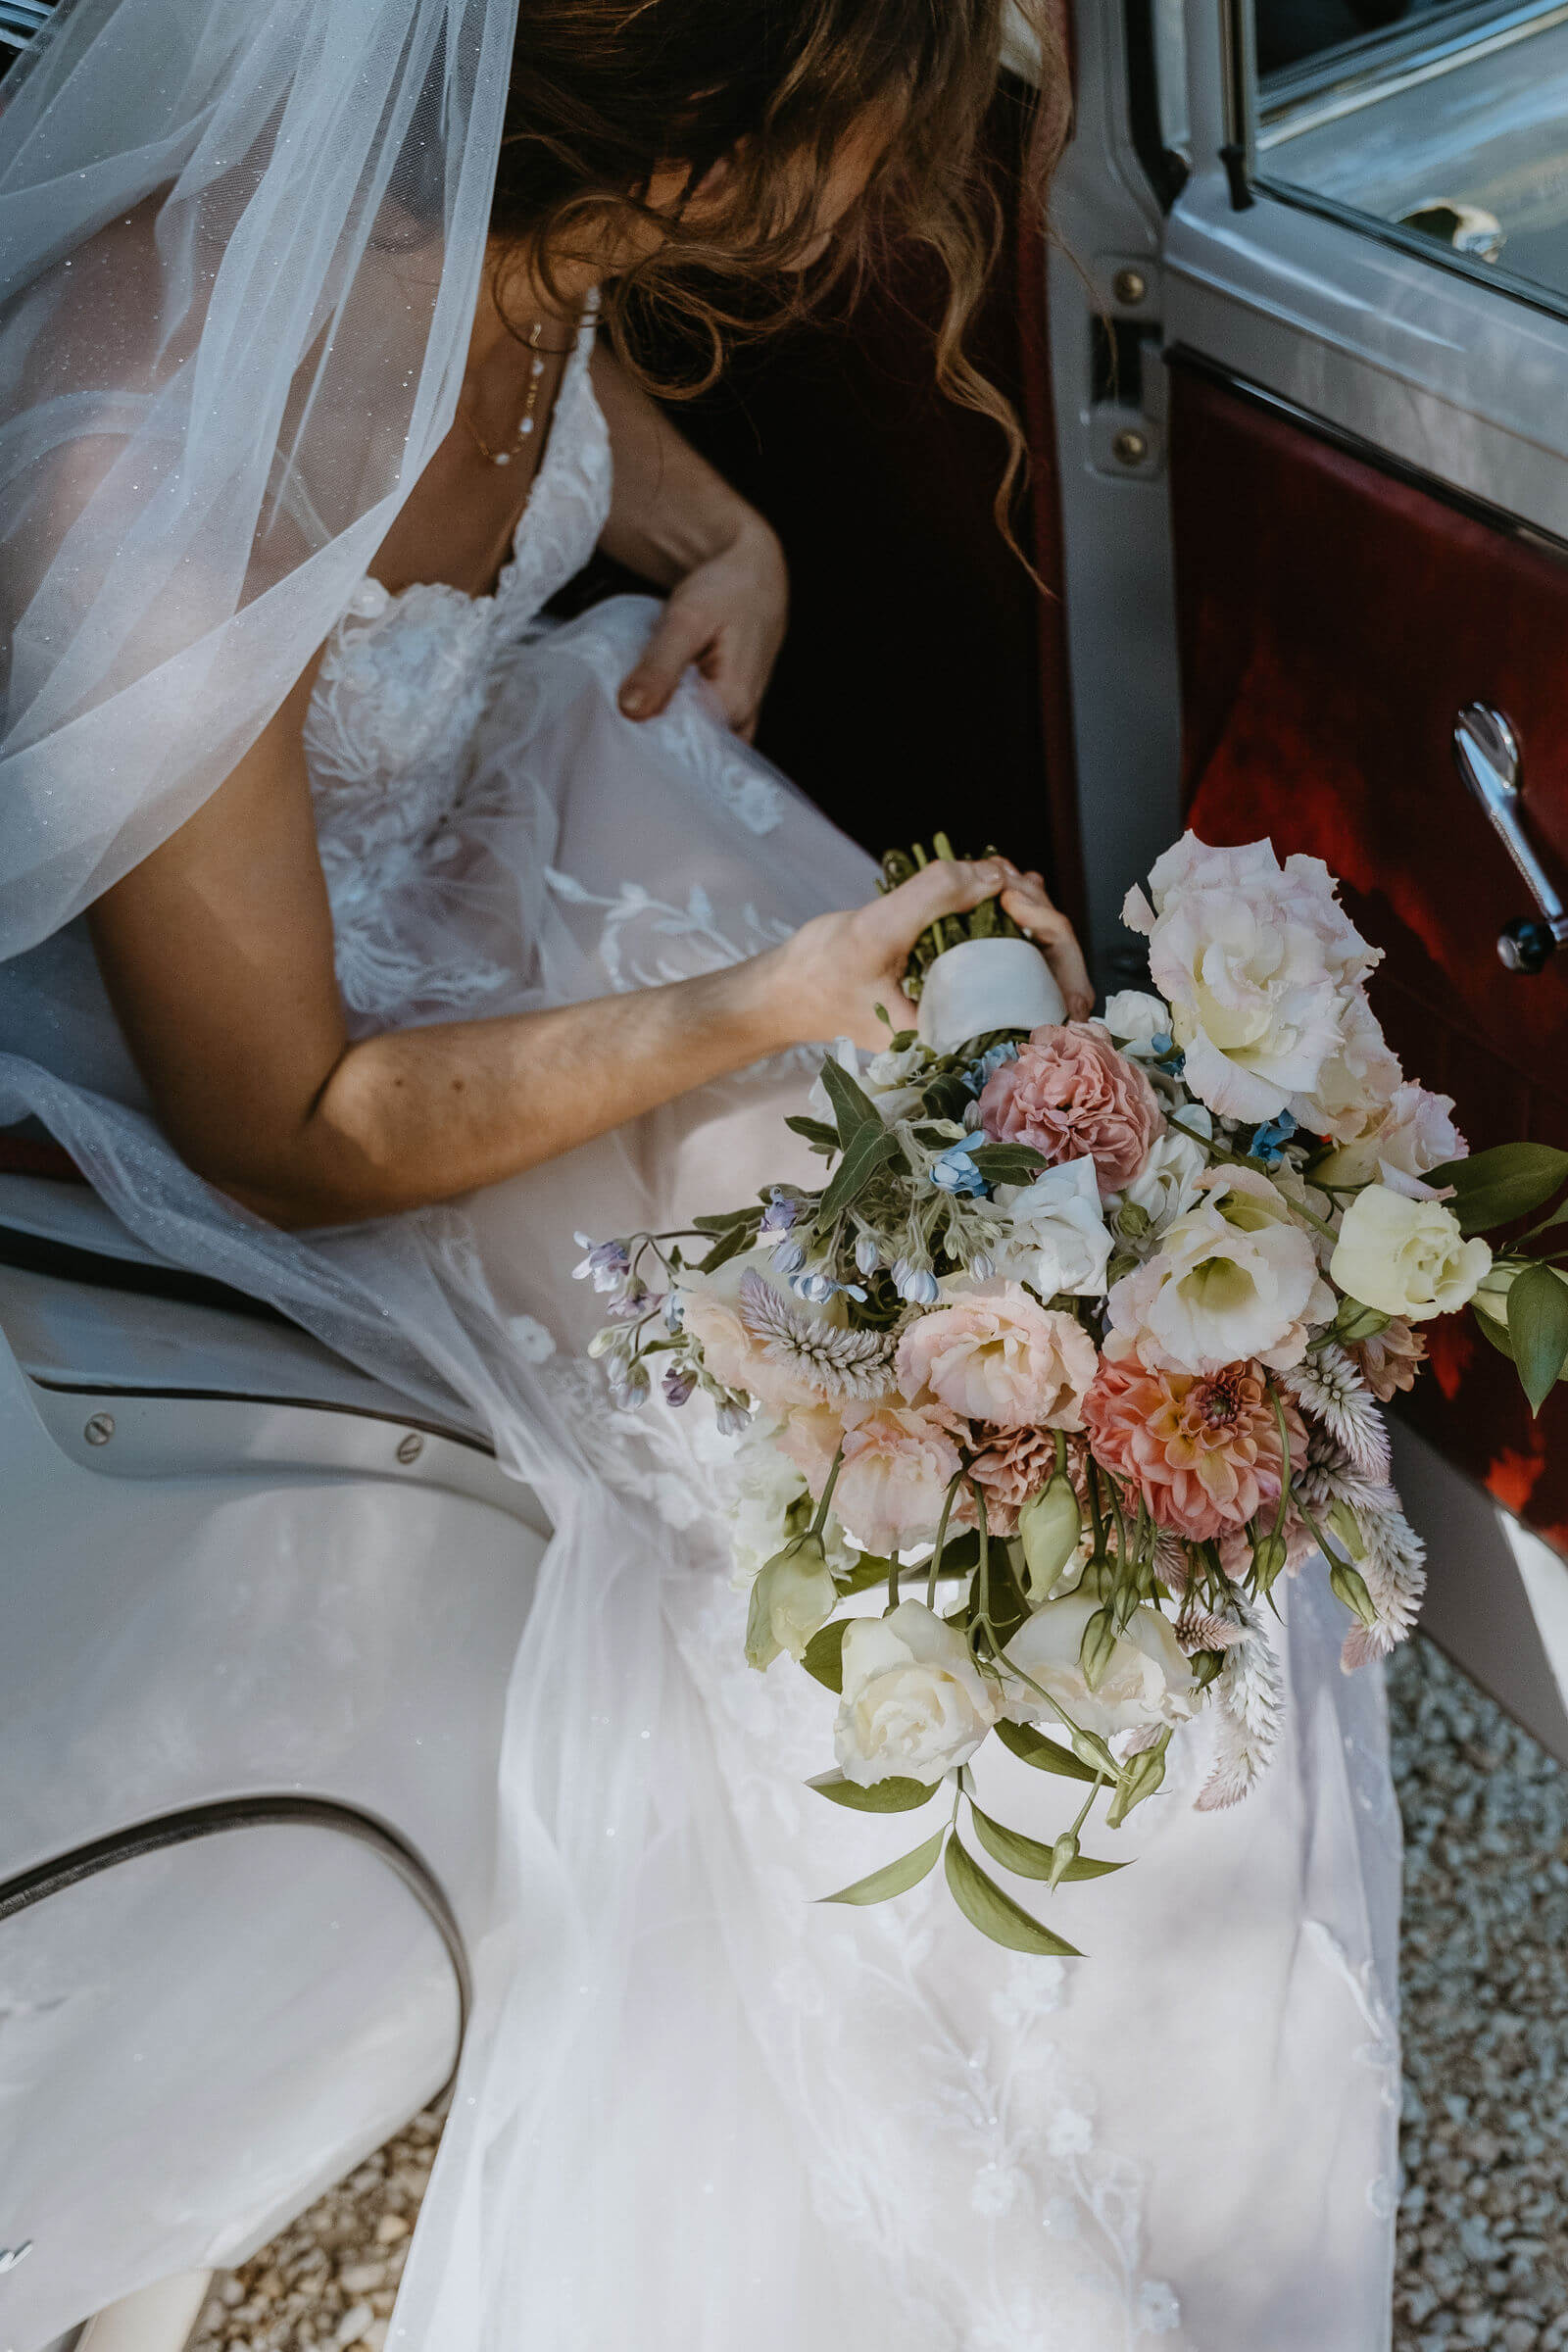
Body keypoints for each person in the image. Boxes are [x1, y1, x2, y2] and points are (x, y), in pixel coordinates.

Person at [0, 0, 1401, 2343]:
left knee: (1079, 1368)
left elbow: (539, 385)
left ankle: (1187, 2174)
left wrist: (724, 529)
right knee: (869, 1514)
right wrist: (757, 1011)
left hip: (510, 860)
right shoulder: (151, 455)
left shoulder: (480, 220)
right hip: (293, 1084)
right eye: (870, 112)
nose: (894, 178)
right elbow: (290, 1122)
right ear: (690, 134)